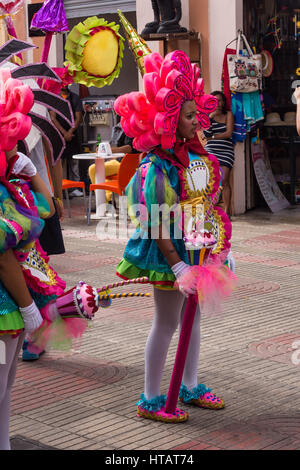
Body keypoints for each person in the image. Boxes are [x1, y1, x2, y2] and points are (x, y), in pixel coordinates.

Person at [114, 50, 235, 423]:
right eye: (187, 115)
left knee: (193, 322)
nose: (196, 120)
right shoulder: (156, 165)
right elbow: (154, 221)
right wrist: (178, 264)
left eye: (194, 112)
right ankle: (151, 397)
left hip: (196, 248)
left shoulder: (192, 155)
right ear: (166, 119)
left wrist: (217, 246)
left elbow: (206, 203)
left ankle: (189, 383)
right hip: (170, 254)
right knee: (166, 323)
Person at [202, 91, 235, 216]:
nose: (218, 103)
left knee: (225, 180)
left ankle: (227, 211)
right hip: (211, 150)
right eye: (215, 100)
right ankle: (211, 209)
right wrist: (210, 117)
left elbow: (228, 133)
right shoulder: (208, 116)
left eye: (220, 100)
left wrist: (213, 137)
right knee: (211, 180)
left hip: (226, 151)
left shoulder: (228, 115)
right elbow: (205, 135)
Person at [49, 85, 83, 196]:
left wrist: (70, 132)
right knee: (60, 163)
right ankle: (61, 188)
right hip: (59, 135)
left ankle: (75, 188)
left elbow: (79, 118)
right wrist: (64, 133)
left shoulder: (75, 98)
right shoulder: (54, 98)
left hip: (73, 134)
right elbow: (52, 118)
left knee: (74, 161)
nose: (64, 84)